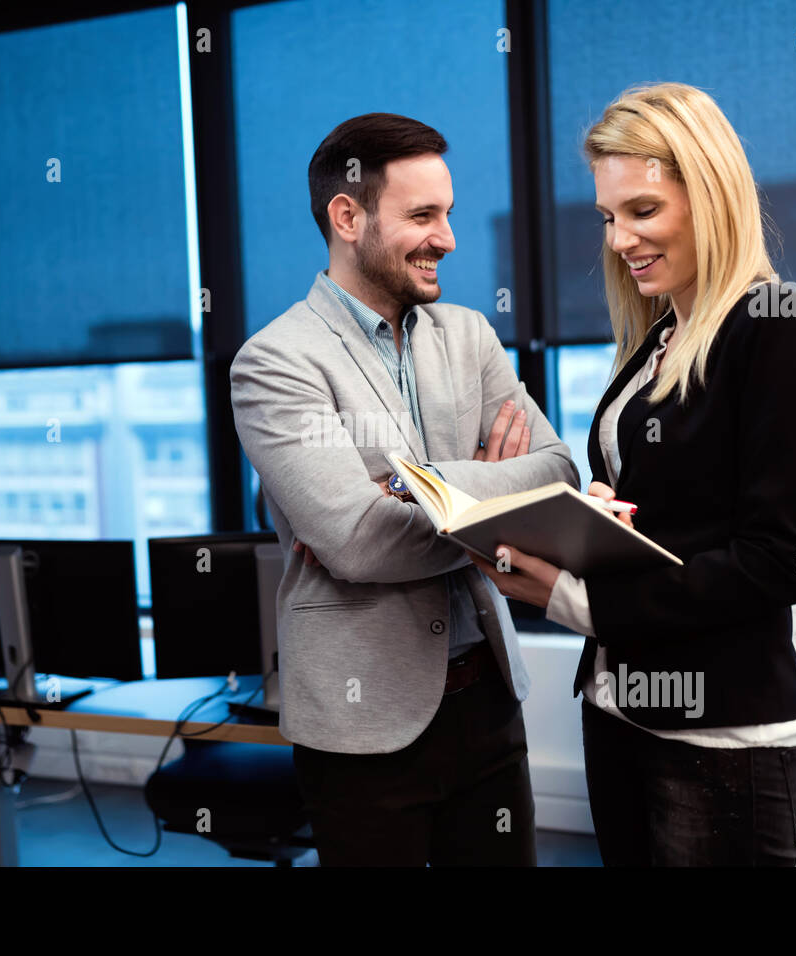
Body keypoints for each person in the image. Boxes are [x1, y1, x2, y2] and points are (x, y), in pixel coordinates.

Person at [470, 83, 796, 866]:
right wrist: (592, 520)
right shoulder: (662, 332)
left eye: (642, 211)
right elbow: (675, 514)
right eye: (608, 217)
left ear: (708, 195)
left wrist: (575, 597)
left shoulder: (775, 327)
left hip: (720, 738)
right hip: (618, 709)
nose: (618, 239)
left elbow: (776, 563)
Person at [230, 113, 578, 865]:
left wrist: (425, 488)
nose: (447, 238)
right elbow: (355, 542)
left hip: (488, 702)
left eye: (446, 213)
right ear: (347, 216)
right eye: (422, 216)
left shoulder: (470, 336)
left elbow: (558, 474)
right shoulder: (275, 363)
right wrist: (492, 521)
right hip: (363, 726)